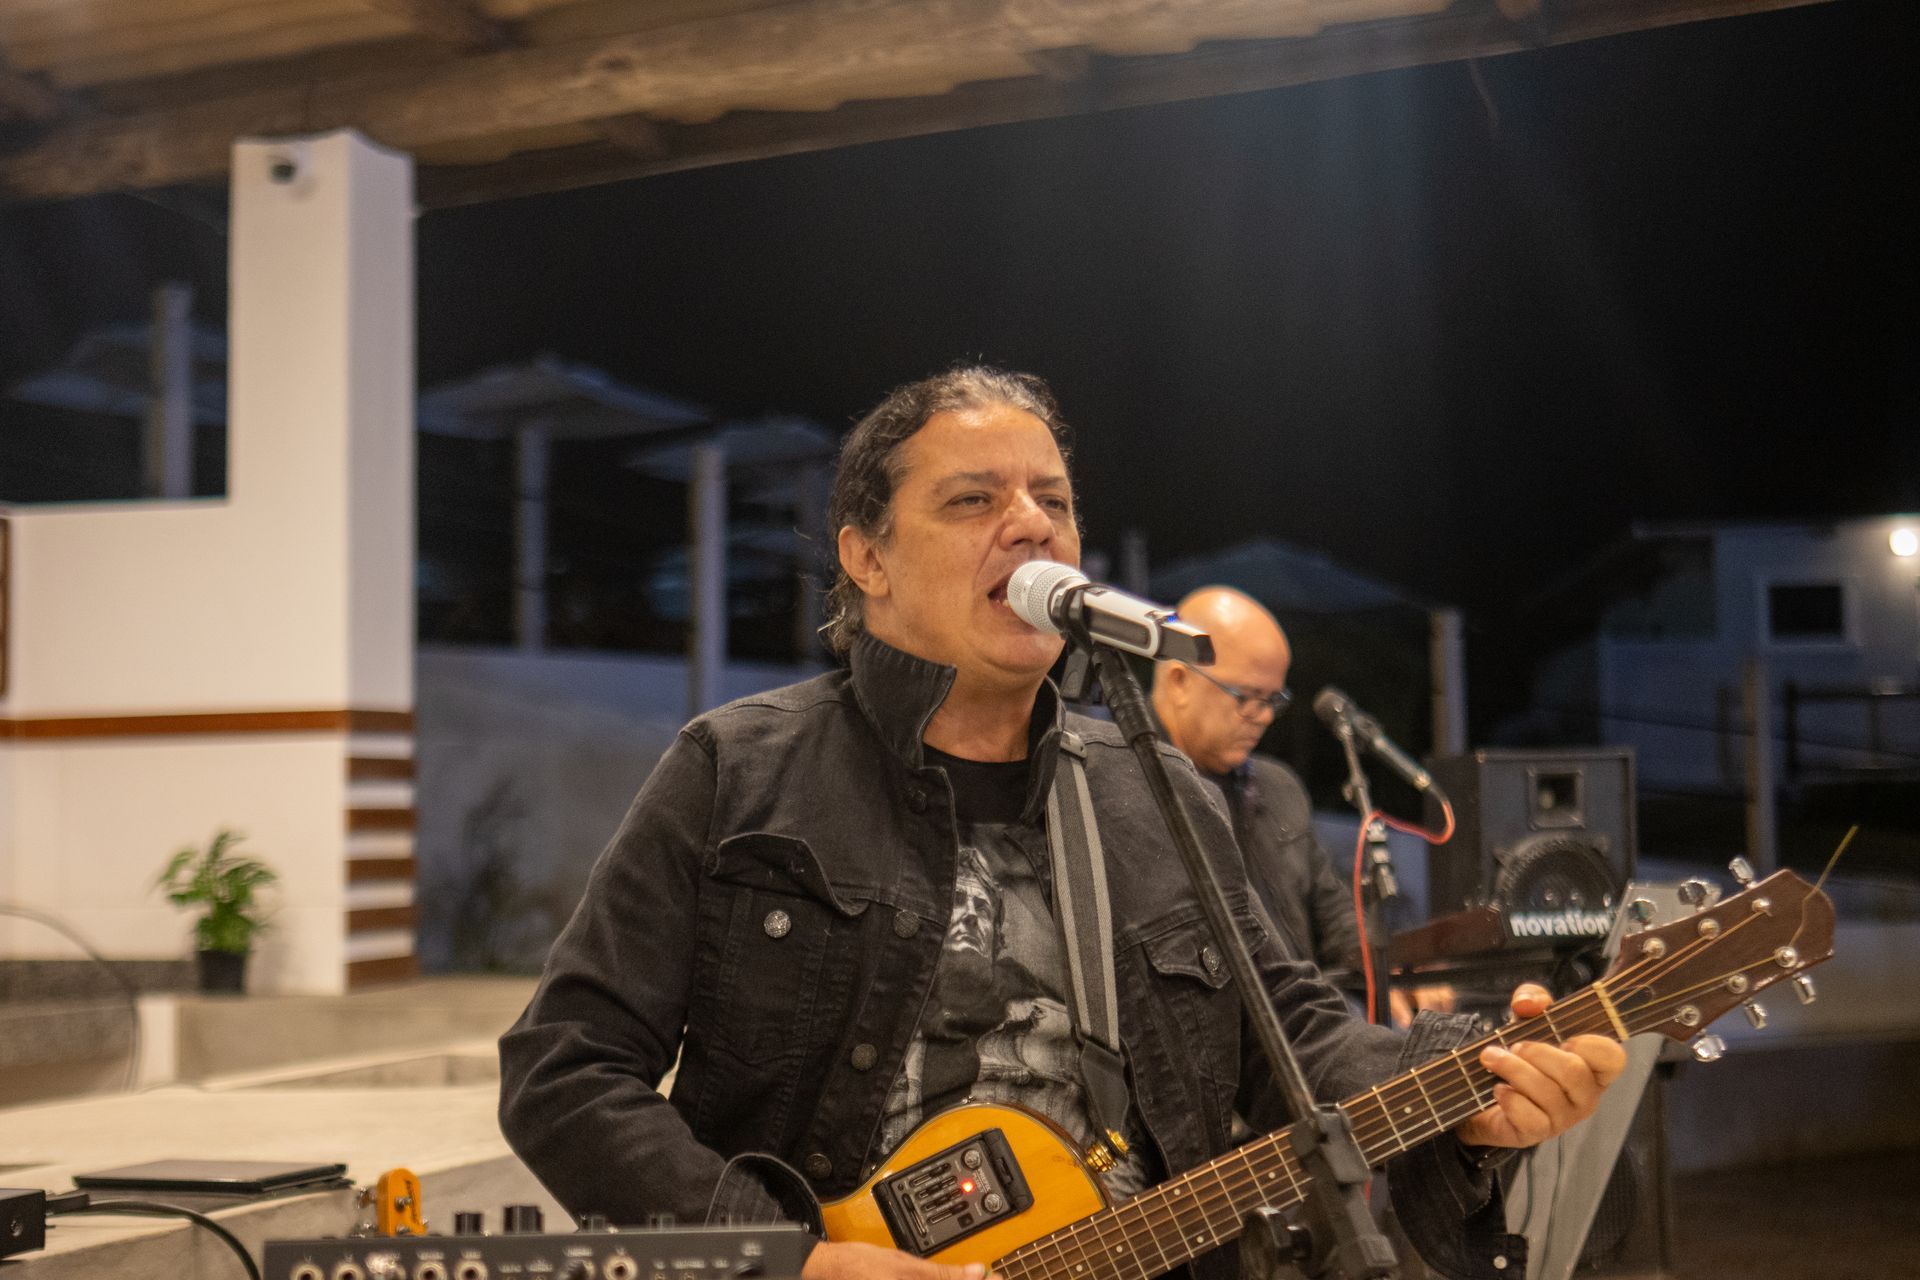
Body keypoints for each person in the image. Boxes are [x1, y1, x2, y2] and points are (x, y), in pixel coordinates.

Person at [497, 367, 1625, 1280]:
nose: (1030, 524)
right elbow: (564, 1070)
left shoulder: (1155, 791)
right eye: (974, 498)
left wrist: (1469, 1090)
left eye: (1054, 498)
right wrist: (790, 1261)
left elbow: (1293, 1036)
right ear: (867, 554)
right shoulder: (737, 769)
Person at [1148, 588, 1359, 976]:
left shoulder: (1279, 789)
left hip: (1310, 1016)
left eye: (1273, 699)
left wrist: (1395, 972)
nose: (1262, 716)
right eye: (1246, 696)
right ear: (1179, 681)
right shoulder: (1123, 786)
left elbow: (1336, 914)